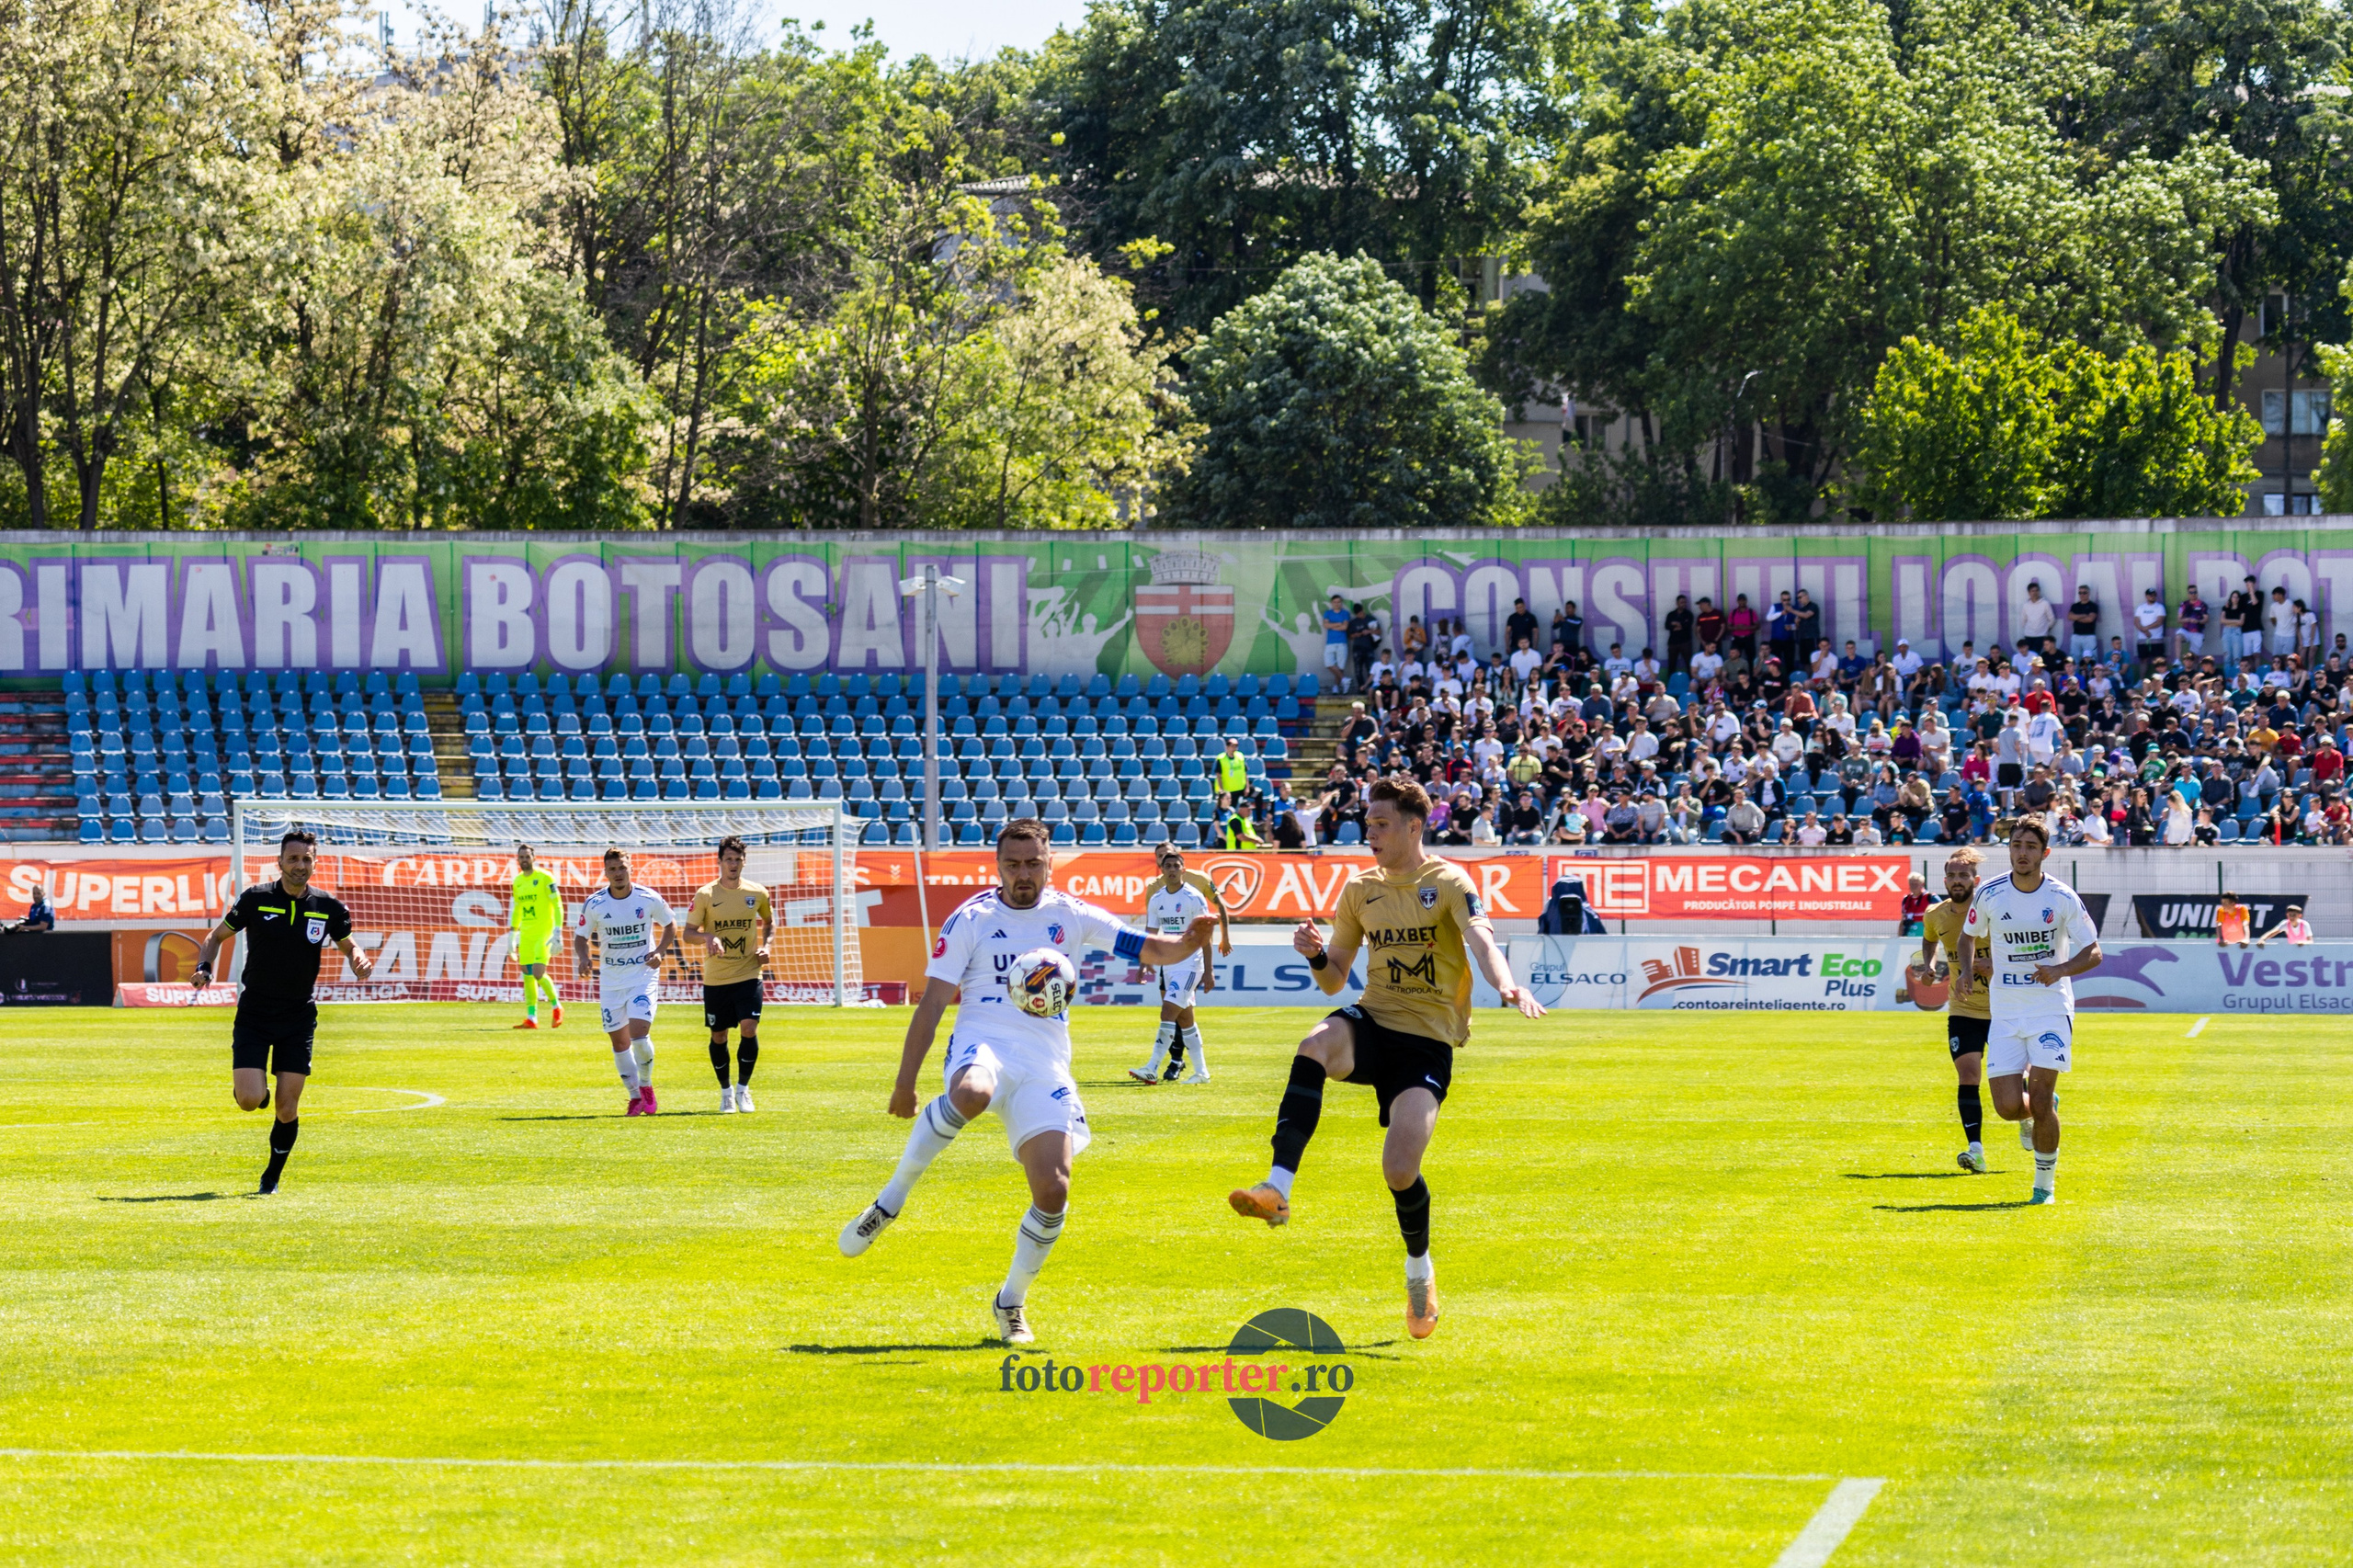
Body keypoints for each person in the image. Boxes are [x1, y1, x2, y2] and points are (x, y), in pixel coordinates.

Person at [838, 819, 1213, 1346]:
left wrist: (1189, 941)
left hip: (1044, 1063)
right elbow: (932, 1003)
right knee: (971, 1093)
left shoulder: (1070, 913)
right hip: (983, 1043)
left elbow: (1147, 947)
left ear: (1049, 864)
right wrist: (905, 1083)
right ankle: (889, 1201)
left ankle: (1010, 1302)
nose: (1023, 874)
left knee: (1054, 1191)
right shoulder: (972, 918)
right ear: (997, 866)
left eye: (1033, 863)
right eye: (1012, 864)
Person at [1227, 778, 1544, 1340]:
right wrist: (1316, 954)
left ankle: (1420, 1274)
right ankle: (1277, 1189)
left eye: (1380, 824)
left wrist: (1507, 985)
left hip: (1426, 1041)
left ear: (1413, 827)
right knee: (1313, 1045)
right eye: (1367, 823)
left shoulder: (1449, 881)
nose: (1368, 833)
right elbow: (1333, 982)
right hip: (1373, 1019)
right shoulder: (1359, 889)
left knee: (1399, 1170)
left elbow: (1481, 940)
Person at [189, 829, 372, 1195]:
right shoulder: (256, 899)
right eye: (293, 859)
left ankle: (271, 1177)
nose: (300, 865)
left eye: (306, 859)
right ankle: (257, 1091)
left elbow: (349, 944)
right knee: (249, 1101)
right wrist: (204, 967)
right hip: (255, 1013)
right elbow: (215, 937)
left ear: (315, 863)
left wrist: (359, 958)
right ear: (280, 862)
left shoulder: (329, 908)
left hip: (298, 1017)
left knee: (287, 1109)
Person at [1956, 816, 2104, 1204]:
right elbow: (1967, 937)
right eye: (2017, 845)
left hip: (2049, 1009)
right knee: (2007, 1108)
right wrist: (1967, 972)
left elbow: (2093, 951)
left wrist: (2060, 970)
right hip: (2005, 1011)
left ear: (2045, 853)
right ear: (2009, 849)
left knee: (2039, 1099)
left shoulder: (2061, 896)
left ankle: (2044, 1187)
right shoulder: (1990, 894)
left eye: (2031, 847)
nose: (2022, 853)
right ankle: (2040, 1110)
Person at [572, 848, 679, 1117]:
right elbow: (581, 936)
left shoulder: (647, 897)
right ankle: (634, 1097)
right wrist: (584, 958)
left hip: (642, 975)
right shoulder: (595, 903)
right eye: (612, 869)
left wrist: (659, 951)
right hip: (611, 980)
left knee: (639, 1037)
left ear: (630, 868)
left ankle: (646, 1085)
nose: (618, 873)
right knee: (620, 1044)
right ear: (605, 873)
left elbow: (670, 924)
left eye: (622, 867)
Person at [1914, 849, 1995, 1173]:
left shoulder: (1993, 911)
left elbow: (2017, 949)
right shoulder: (1935, 914)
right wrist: (1929, 965)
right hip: (1963, 1009)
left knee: (2015, 1083)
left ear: (1976, 880)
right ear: (1945, 880)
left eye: (1964, 875)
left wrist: (1994, 963)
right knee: (1968, 1075)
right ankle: (1976, 1150)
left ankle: (2030, 1114)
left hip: (2004, 1008)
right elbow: (1929, 940)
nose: (1957, 881)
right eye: (1952, 876)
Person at [686, 835, 773, 1114]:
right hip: (717, 978)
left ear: (744, 862)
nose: (733, 864)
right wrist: (708, 937)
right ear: (720, 862)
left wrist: (767, 946)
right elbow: (688, 933)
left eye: (737, 859)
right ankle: (726, 1092)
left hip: (749, 973)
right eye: (728, 859)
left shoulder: (757, 893)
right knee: (719, 1036)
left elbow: (769, 923)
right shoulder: (705, 895)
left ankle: (743, 1090)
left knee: (749, 1028)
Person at [1130, 845, 1218, 1085]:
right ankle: (1201, 1072)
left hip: (1190, 964)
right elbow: (1150, 934)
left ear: (1183, 870)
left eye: (1176, 866)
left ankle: (1152, 1067)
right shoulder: (1157, 899)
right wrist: (1143, 964)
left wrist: (1209, 971)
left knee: (1168, 1012)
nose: (1172, 869)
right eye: (1167, 865)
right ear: (1161, 869)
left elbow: (1205, 936)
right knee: (1186, 1021)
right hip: (1168, 964)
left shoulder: (1194, 897)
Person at [508, 845, 564, 1030]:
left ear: (534, 858)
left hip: (544, 932)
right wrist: (512, 933)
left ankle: (557, 1006)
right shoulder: (518, 881)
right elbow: (518, 908)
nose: (524, 860)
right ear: (518, 859)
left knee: (538, 972)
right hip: (526, 933)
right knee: (527, 973)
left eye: (527, 856)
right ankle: (531, 1017)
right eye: (521, 857)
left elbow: (557, 904)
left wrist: (557, 930)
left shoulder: (545, 877)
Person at [1323, 593, 1352, 690]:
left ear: (1341, 603)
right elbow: (1326, 625)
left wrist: (1332, 626)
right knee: (1328, 664)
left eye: (1338, 602)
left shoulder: (1345, 613)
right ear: (1332, 603)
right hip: (1330, 643)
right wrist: (1339, 624)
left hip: (1342, 643)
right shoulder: (1328, 613)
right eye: (1335, 602)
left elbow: (1345, 627)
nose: (1337, 604)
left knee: (1340, 667)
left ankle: (1336, 687)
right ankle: (1344, 679)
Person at [2068, 585, 2102, 663]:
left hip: (2089, 636)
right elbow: (2070, 617)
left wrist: (2076, 617)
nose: (2082, 595)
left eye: (2084, 593)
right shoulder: (2075, 606)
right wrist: (2084, 615)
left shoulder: (2093, 606)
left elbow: (2090, 619)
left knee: (2091, 659)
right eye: (2080, 593)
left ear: (2088, 593)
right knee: (2074, 659)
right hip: (2076, 636)